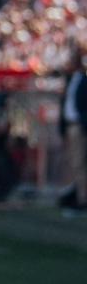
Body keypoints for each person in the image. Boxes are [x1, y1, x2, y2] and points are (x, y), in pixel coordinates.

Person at [58, 48, 87, 211]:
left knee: (79, 163)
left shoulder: (83, 81)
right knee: (74, 164)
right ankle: (75, 195)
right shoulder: (70, 81)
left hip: (79, 126)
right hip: (71, 126)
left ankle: (82, 199)